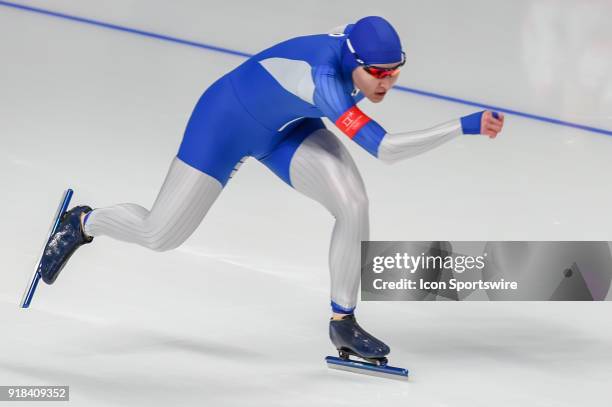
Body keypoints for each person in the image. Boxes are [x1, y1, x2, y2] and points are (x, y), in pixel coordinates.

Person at [38, 16, 504, 364]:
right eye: (377, 73)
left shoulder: (354, 49)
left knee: (354, 203)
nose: (386, 83)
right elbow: (386, 149)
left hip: (286, 127)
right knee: (162, 234)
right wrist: (462, 126)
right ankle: (82, 222)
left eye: (395, 72)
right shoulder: (327, 83)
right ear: (354, 64)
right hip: (224, 122)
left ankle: (344, 322)